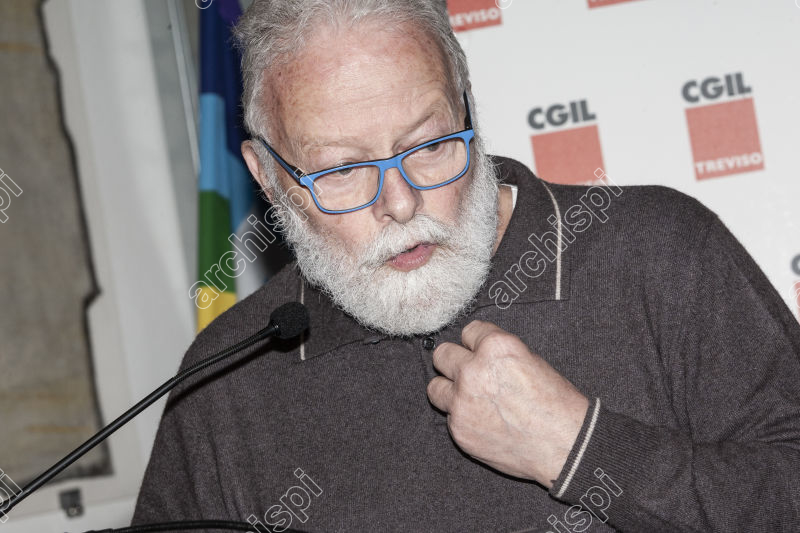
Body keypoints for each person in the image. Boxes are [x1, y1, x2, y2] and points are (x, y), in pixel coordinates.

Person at [132, 1, 800, 531]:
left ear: (467, 109)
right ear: (268, 176)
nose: (401, 202)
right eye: (342, 170)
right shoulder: (227, 374)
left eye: (426, 145)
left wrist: (582, 448)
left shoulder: (658, 250)